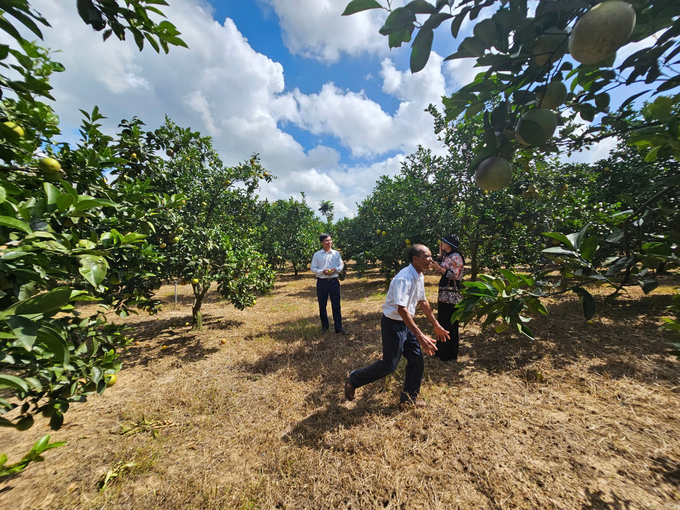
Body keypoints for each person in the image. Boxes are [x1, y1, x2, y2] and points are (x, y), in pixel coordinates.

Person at [344, 244, 449, 408]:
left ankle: (408, 400)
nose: (431, 259)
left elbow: (423, 301)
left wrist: (436, 325)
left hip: (407, 324)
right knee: (389, 365)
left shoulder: (419, 275)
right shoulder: (404, 278)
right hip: (393, 324)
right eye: (427, 256)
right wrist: (421, 336)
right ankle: (354, 378)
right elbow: (402, 309)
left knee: (417, 361)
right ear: (415, 259)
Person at [429, 234, 465, 362]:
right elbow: (438, 269)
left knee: (450, 323)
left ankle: (450, 353)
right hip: (445, 294)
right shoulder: (447, 256)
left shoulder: (456, 257)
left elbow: (453, 275)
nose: (441, 244)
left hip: (452, 295)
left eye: (443, 243)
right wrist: (440, 255)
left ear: (448, 244)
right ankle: (442, 352)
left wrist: (439, 268)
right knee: (443, 322)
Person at [311, 234, 349, 335]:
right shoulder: (317, 255)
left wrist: (336, 269)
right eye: (326, 241)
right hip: (322, 282)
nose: (329, 242)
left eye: (330, 240)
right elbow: (313, 268)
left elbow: (341, 264)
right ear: (321, 243)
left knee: (336, 305)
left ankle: (338, 327)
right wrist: (321, 271)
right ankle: (325, 326)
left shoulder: (336, 254)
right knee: (322, 305)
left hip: (334, 281)